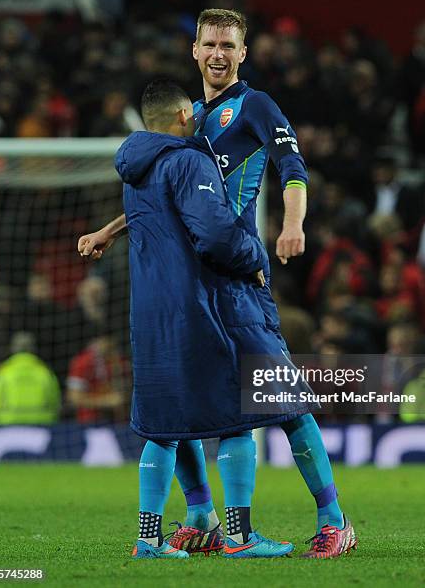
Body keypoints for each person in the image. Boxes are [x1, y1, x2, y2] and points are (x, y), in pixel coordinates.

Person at [79, 9, 356, 560]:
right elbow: (170, 199)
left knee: (283, 400)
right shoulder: (190, 118)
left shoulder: (254, 106)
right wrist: (111, 229)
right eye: (210, 43)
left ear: (243, 52)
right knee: (181, 406)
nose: (218, 53)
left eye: (228, 44)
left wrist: (293, 224)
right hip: (195, 281)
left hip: (238, 275)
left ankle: (334, 521)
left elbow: (292, 166)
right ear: (196, 50)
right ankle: (203, 516)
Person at [117, 78, 299, 559]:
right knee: (239, 416)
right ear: (182, 117)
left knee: (163, 425)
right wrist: (253, 255)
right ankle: (239, 537)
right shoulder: (188, 160)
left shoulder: (134, 171)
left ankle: (149, 538)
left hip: (148, 312)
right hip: (193, 306)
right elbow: (216, 234)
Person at [0, 331, 60, 425]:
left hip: (7, 425)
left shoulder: (2, 373)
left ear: (12, 348)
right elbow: (55, 404)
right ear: (33, 349)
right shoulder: (45, 373)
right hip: (40, 424)